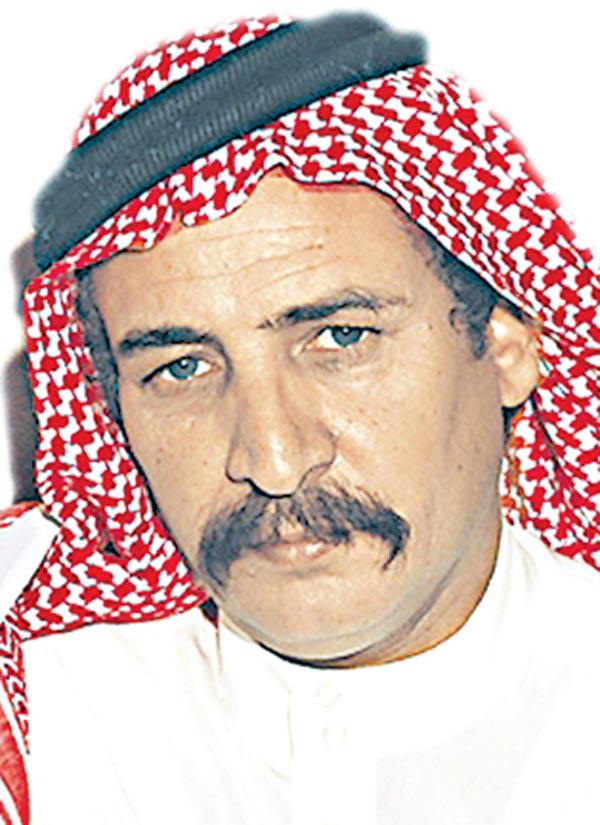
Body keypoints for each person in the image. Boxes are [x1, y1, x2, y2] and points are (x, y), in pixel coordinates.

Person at [0, 12, 598, 825]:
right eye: (181, 368)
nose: (275, 459)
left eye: (341, 338)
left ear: (505, 345)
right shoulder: (41, 703)